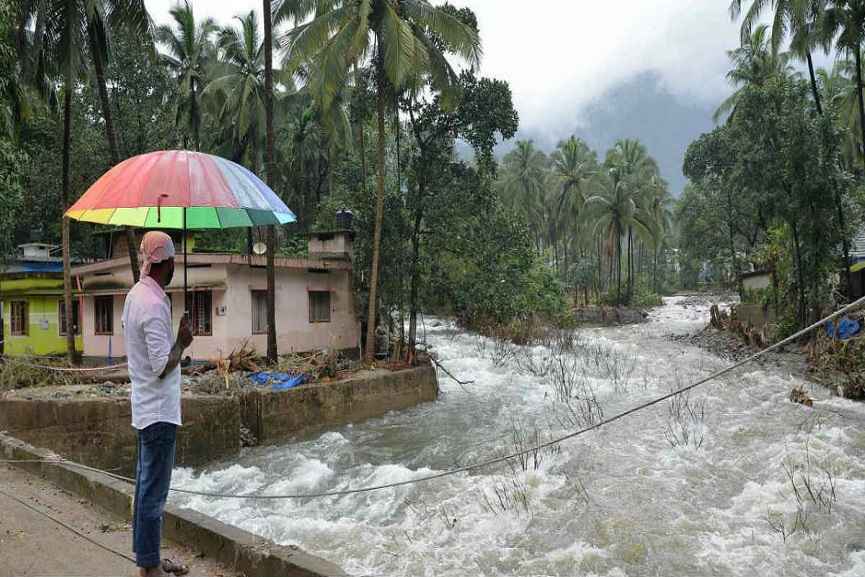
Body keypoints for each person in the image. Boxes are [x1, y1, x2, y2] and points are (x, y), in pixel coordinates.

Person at [122, 231, 193, 577]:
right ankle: (150, 569)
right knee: (154, 492)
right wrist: (181, 343)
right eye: (174, 259)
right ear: (165, 263)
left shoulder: (138, 295)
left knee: (145, 485)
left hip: (145, 408)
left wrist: (176, 344)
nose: (176, 264)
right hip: (159, 411)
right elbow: (160, 366)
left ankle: (148, 557)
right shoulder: (152, 304)